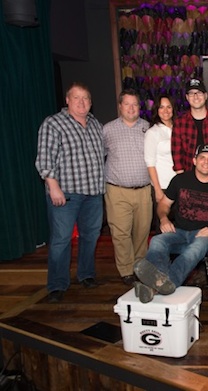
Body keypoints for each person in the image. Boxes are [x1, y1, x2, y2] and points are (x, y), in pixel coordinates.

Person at [133, 145, 208, 303]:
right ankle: (157, 285)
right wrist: (164, 218)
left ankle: (167, 282)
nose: (206, 162)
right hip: (180, 233)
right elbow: (164, 205)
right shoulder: (180, 180)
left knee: (196, 248)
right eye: (202, 158)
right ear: (194, 160)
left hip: (204, 237)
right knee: (157, 240)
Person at [35, 82, 105, 303]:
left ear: (91, 103)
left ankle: (86, 274)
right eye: (77, 98)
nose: (82, 102)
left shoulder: (95, 124)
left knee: (91, 237)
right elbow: (45, 159)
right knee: (61, 240)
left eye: (86, 98)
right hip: (65, 194)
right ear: (67, 100)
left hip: (93, 193)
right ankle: (57, 285)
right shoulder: (53, 123)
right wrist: (53, 186)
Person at [103, 89, 152, 286]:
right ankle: (126, 271)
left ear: (139, 108)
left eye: (135, 104)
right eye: (127, 104)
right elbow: (99, 156)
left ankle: (139, 266)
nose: (131, 108)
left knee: (142, 232)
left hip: (144, 190)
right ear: (120, 106)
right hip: (117, 190)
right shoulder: (107, 130)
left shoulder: (148, 128)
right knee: (121, 233)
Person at [144, 94, 177, 238]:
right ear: (157, 110)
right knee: (163, 227)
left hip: (179, 185)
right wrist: (157, 190)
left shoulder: (179, 128)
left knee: (178, 226)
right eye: (161, 107)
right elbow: (149, 162)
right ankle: (161, 259)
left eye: (168, 106)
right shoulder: (153, 132)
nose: (165, 110)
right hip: (162, 186)